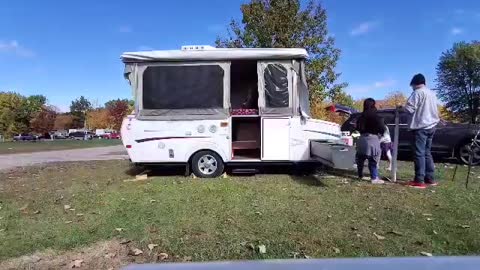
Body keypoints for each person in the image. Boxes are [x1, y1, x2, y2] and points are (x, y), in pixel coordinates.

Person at [404, 74, 440, 189]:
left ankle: (419, 180)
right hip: (432, 126)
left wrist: (401, 108)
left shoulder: (417, 93)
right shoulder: (432, 93)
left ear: (414, 83)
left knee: (419, 153)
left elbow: (409, 109)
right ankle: (430, 178)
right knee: (427, 153)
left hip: (421, 126)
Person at [355, 98, 386, 184]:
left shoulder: (361, 116)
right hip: (372, 138)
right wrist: (381, 133)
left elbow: (357, 127)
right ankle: (374, 178)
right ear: (373, 105)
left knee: (360, 158)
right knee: (373, 159)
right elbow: (382, 128)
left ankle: (360, 175)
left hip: (361, 138)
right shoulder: (376, 116)